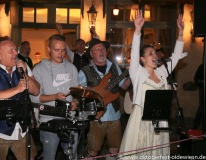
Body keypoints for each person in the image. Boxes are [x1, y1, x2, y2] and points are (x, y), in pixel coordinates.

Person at [119, 10, 186, 159]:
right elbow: (135, 52)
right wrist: (137, 30)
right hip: (141, 118)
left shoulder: (163, 71)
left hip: (160, 120)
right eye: (150, 54)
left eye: (155, 53)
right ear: (142, 59)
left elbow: (175, 57)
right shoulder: (137, 72)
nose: (154, 55)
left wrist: (181, 32)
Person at [0, 36, 40, 160]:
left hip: (21, 128)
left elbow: (36, 91)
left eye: (16, 49)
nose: (16, 53)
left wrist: (25, 73)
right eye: (11, 51)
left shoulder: (22, 67)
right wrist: (17, 89)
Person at [78, 38, 130, 160]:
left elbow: (124, 86)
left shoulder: (115, 67)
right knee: (93, 149)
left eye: (103, 49)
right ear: (91, 53)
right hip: (96, 116)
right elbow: (81, 93)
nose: (101, 52)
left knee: (114, 149)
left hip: (115, 115)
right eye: (97, 49)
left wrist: (131, 75)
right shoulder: (84, 71)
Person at [30, 34, 79, 160]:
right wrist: (54, 96)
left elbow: (77, 92)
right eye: (57, 50)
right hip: (48, 120)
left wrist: (75, 101)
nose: (60, 53)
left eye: (63, 50)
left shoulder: (72, 68)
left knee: (72, 156)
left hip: (69, 119)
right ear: (49, 49)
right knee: (49, 157)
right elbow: (34, 99)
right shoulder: (39, 69)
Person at [192, 63, 205, 130]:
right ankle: (195, 126)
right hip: (203, 89)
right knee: (202, 107)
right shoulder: (203, 66)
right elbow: (196, 78)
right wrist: (201, 83)